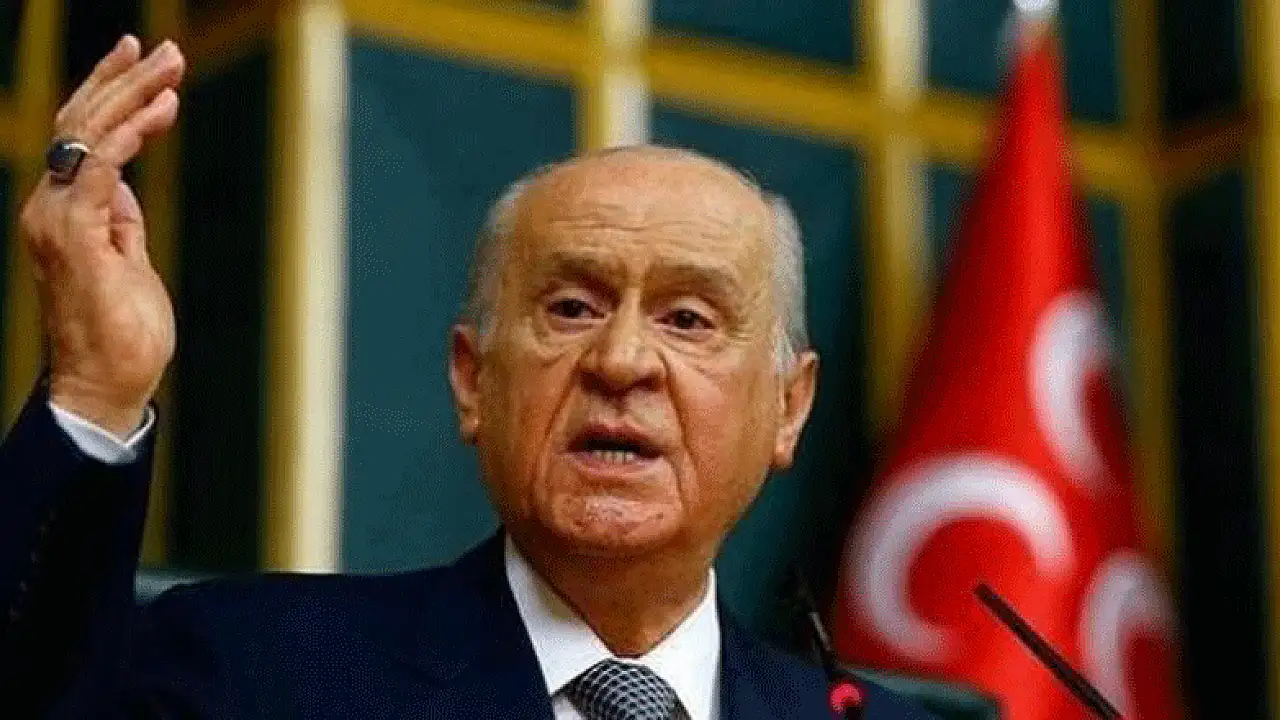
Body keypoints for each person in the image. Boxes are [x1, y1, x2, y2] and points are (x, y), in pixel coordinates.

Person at [0, 36, 936, 719]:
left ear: (789, 408)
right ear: (471, 380)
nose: (620, 361)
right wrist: (96, 387)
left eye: (687, 320)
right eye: (571, 307)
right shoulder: (263, 671)